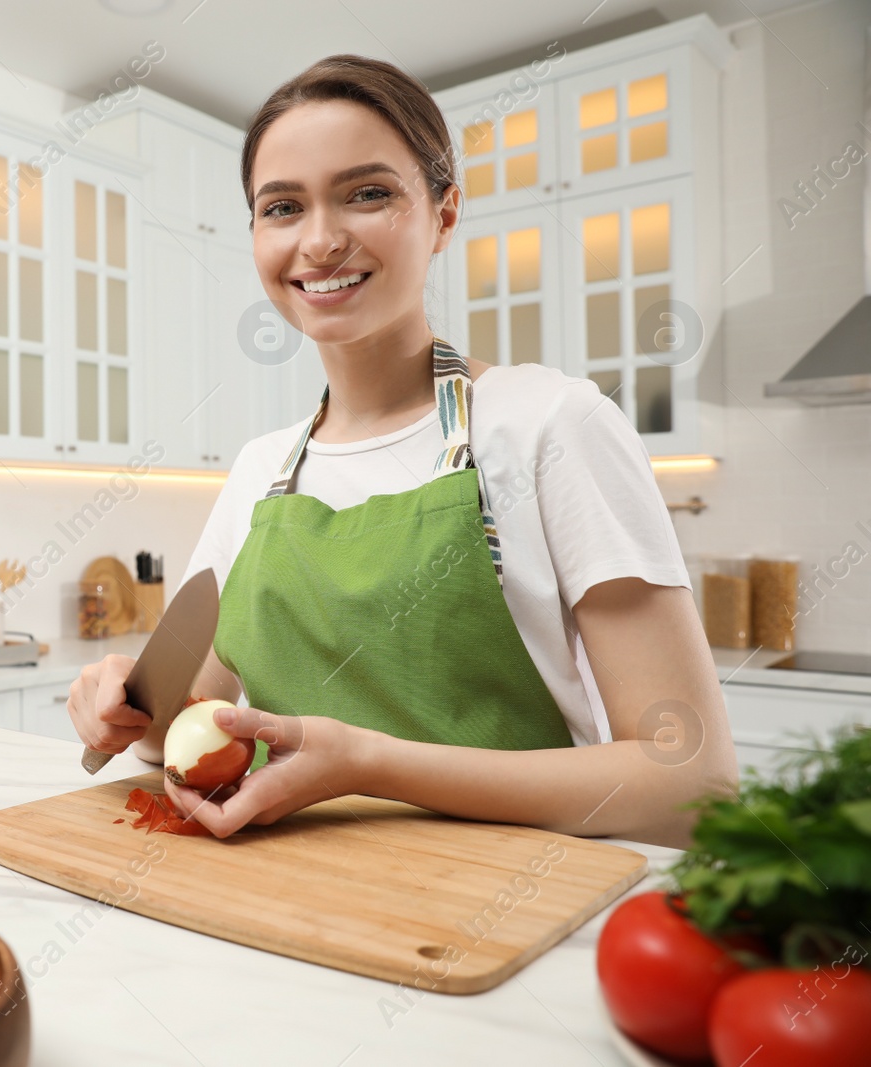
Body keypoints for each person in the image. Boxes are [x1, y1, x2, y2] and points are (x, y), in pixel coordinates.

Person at [67, 55, 736, 849]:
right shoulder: (260, 469)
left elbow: (692, 782)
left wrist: (369, 764)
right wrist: (122, 710)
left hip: (506, 918)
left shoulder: (551, 425)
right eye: (282, 207)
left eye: (368, 193)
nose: (319, 241)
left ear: (445, 215)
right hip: (282, 907)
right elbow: (195, 726)